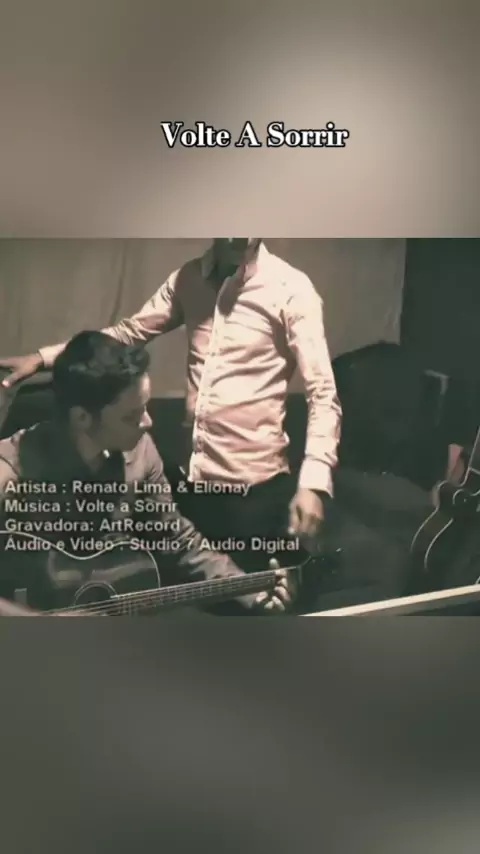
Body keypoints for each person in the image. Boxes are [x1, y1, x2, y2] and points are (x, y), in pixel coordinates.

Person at [0, 238, 341, 577]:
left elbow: (323, 393)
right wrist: (42, 358)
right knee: (188, 585)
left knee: (258, 593)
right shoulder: (187, 280)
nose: (241, 236)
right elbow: (127, 334)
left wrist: (313, 483)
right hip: (193, 486)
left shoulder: (292, 290)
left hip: (256, 491)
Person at [0, 331, 292, 616]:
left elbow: (177, 540)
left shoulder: (141, 450)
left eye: (145, 407)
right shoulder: (8, 470)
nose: (147, 422)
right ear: (82, 418)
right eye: (131, 416)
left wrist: (250, 591)